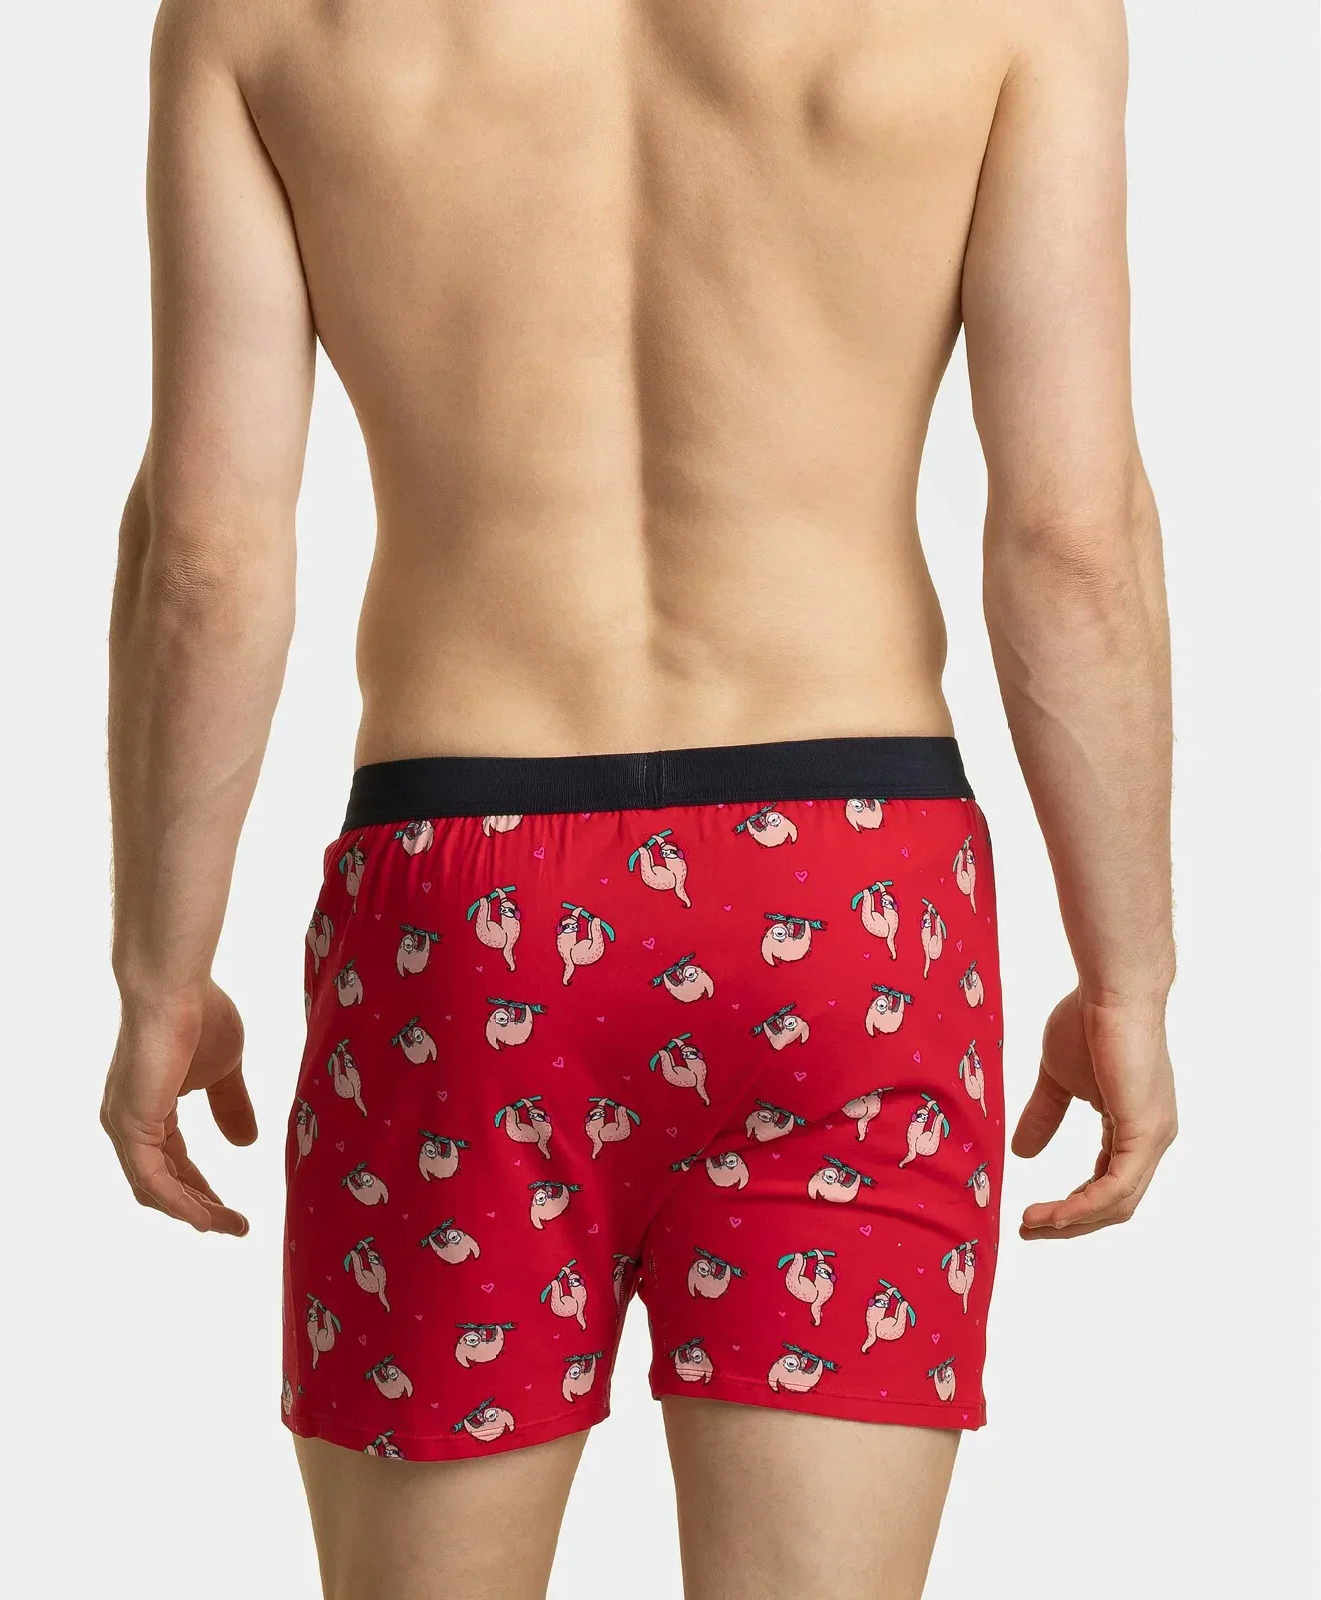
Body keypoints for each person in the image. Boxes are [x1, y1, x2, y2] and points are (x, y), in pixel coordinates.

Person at [100, 2, 1178, 1597]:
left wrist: (159, 974)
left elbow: (207, 556)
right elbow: (1070, 543)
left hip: (463, 910)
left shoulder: (261, 20)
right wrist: (1129, 974)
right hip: (850, 907)